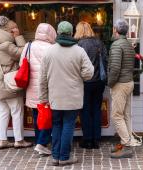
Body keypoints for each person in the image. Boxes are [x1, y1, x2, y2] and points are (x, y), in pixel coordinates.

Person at [39, 21, 94, 166]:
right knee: (68, 124)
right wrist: (79, 75)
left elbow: (42, 79)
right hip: (73, 96)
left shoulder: (49, 51)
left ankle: (55, 157)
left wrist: (43, 98)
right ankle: (64, 157)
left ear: (57, 33)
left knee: (56, 125)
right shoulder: (79, 51)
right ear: (71, 33)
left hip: (55, 97)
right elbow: (89, 73)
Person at [0, 16, 32, 149]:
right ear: (8, 30)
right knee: (17, 111)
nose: (16, 29)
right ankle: (19, 140)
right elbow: (24, 53)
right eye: (14, 28)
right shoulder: (7, 45)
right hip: (8, 84)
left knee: (2, 111)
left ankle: (2, 140)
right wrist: (18, 36)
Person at [19, 23, 57, 156]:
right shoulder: (52, 48)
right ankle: (42, 144)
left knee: (36, 115)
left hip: (32, 87)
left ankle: (39, 142)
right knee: (47, 115)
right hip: (47, 87)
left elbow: (21, 64)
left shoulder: (28, 46)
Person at [108, 19, 141, 159]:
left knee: (116, 115)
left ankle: (126, 145)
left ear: (116, 29)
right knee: (125, 115)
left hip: (120, 84)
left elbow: (115, 68)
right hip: (129, 82)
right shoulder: (128, 44)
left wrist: (110, 82)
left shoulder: (116, 45)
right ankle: (126, 142)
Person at [75, 22, 108, 149]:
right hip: (99, 81)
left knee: (85, 110)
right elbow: (105, 60)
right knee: (96, 109)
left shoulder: (79, 44)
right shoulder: (99, 42)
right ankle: (96, 139)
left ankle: (87, 139)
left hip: (85, 82)